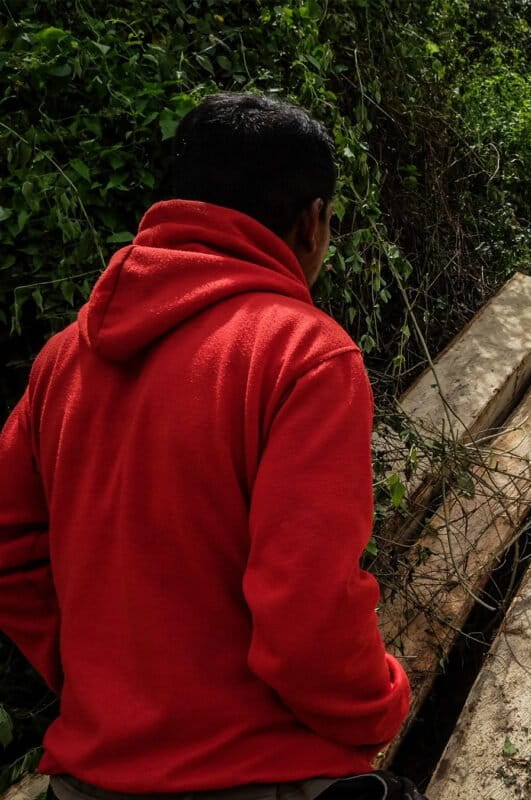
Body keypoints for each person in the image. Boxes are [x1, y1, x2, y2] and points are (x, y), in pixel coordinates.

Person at [0, 93, 421, 800]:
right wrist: (379, 703)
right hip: (261, 776)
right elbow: (304, 614)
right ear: (313, 221)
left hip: (87, 777)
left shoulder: (63, 360)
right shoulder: (304, 354)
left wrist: (95, 677)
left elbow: (9, 550)